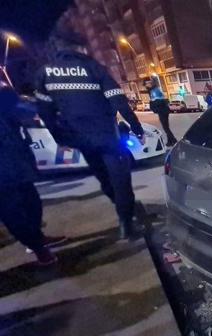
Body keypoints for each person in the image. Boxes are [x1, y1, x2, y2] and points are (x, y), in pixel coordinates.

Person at [34, 28, 145, 240]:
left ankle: (123, 212)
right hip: (108, 137)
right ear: (80, 47)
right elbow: (119, 101)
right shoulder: (94, 68)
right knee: (121, 180)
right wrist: (137, 129)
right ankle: (126, 224)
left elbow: (45, 112)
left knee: (104, 178)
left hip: (81, 139)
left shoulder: (45, 73)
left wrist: (60, 138)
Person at [0, 83, 66, 266]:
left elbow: (24, 109)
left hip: (15, 160)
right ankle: (38, 249)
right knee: (13, 212)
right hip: (4, 172)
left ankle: (37, 238)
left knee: (32, 203)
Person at [145, 77, 177, 146]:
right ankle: (170, 141)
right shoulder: (154, 90)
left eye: (148, 83)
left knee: (165, 127)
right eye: (146, 84)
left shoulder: (154, 91)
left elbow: (157, 102)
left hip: (162, 111)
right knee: (166, 127)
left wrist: (153, 107)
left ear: (151, 83)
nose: (147, 85)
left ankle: (174, 140)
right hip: (163, 110)